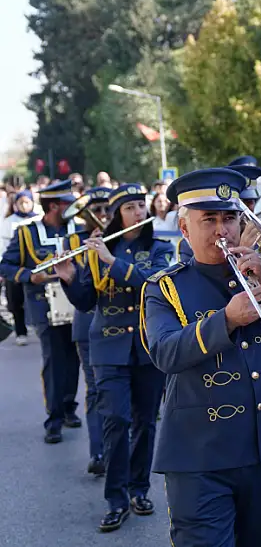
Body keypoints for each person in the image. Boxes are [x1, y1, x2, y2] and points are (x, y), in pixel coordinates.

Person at [141, 167, 261, 546]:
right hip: (200, 456)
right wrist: (226, 320)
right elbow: (164, 352)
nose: (222, 230)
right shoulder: (164, 288)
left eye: (229, 218)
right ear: (185, 228)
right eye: (208, 220)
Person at [56, 183, 174, 532]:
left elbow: (156, 283)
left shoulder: (159, 248)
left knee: (145, 422)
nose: (138, 212)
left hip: (147, 346)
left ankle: (139, 488)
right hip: (106, 348)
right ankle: (116, 499)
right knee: (116, 421)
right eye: (130, 208)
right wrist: (70, 279)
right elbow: (87, 301)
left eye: (141, 206)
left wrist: (113, 262)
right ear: (117, 215)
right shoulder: (98, 250)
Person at [0, 180, 82, 443]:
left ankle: (69, 407)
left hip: (77, 302)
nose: (73, 207)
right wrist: (28, 276)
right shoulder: (27, 233)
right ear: (54, 206)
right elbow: (7, 265)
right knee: (54, 361)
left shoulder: (81, 230)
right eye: (68, 203)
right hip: (44, 305)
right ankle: (54, 418)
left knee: (74, 359)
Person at [66, 186, 113, 477]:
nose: (103, 216)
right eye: (97, 211)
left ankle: (121, 452)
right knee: (96, 391)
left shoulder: (124, 240)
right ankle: (99, 452)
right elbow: (84, 287)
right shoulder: (75, 241)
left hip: (122, 327)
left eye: (108, 210)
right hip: (88, 324)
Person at [1, 189, 39, 346]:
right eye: (21, 202)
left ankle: (38, 324)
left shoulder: (38, 220)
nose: (24, 205)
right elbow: (3, 247)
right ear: (15, 204)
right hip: (15, 265)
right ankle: (20, 331)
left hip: (33, 264)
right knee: (15, 301)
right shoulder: (8, 222)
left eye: (27, 202)